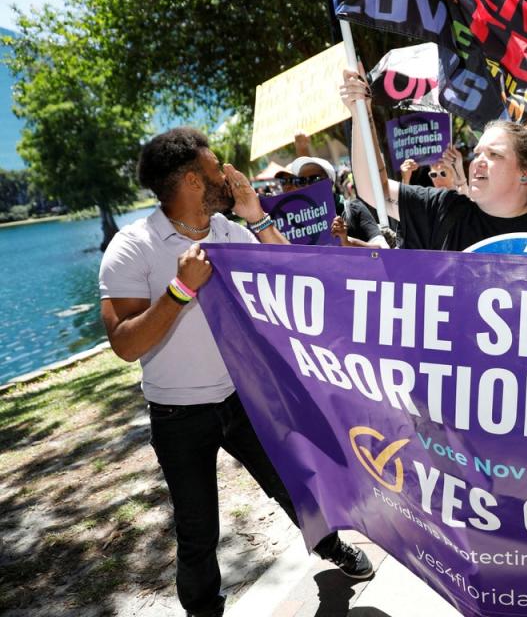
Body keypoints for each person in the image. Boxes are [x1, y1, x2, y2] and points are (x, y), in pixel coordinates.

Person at [98, 128, 373, 617]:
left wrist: (258, 215)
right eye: (215, 167)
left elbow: (293, 279)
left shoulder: (230, 232)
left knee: (293, 484)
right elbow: (124, 343)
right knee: (198, 528)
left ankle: (331, 549)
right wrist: (180, 289)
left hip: (245, 397)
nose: (228, 174)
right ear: (191, 180)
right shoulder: (132, 247)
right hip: (178, 414)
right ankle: (204, 610)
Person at [341, 68, 527, 257]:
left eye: (494, 154)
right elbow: (374, 190)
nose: (478, 162)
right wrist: (361, 112)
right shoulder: (444, 210)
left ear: (525, 175)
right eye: (477, 153)